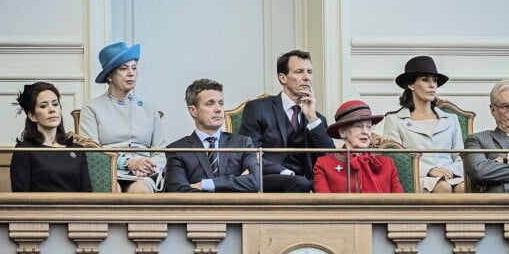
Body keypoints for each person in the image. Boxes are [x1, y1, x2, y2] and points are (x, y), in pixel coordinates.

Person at [239, 49, 335, 192]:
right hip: (269, 178)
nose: (306, 77)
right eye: (299, 72)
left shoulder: (317, 118)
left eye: (309, 72)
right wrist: (284, 172)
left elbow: (329, 158)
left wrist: (312, 118)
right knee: (300, 183)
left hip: (306, 182)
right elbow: (250, 154)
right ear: (283, 78)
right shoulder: (258, 108)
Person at [80, 41, 166, 193]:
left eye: (134, 68)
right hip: (108, 171)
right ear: (109, 76)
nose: (131, 73)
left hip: (144, 174)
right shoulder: (91, 108)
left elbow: (161, 151)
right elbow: (91, 151)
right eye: (123, 69)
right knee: (113, 191)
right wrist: (128, 163)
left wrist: (149, 166)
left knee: (140, 191)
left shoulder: (149, 108)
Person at [383, 55, 465, 193]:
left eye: (435, 80)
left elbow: (460, 158)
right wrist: (431, 171)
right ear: (410, 85)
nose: (432, 85)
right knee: (442, 187)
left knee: (463, 187)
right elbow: (395, 161)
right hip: (418, 178)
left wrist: (448, 171)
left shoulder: (451, 119)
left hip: (451, 175)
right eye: (425, 80)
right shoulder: (395, 120)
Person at [165, 79, 259, 192]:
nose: (218, 109)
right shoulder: (177, 150)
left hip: (236, 209)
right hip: (198, 210)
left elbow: (255, 181)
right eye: (210, 104)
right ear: (193, 110)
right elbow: (179, 192)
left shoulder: (243, 143)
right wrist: (237, 182)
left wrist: (206, 185)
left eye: (221, 103)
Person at [10, 82, 92, 192]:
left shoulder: (77, 149)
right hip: (39, 209)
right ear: (32, 116)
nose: (52, 109)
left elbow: (87, 194)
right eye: (43, 106)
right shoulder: (24, 149)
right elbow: (20, 197)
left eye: (55, 104)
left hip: (75, 208)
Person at [314, 100, 403, 193]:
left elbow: (401, 204)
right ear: (342, 131)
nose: (365, 131)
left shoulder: (387, 164)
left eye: (369, 126)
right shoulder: (324, 164)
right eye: (358, 126)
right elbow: (324, 205)